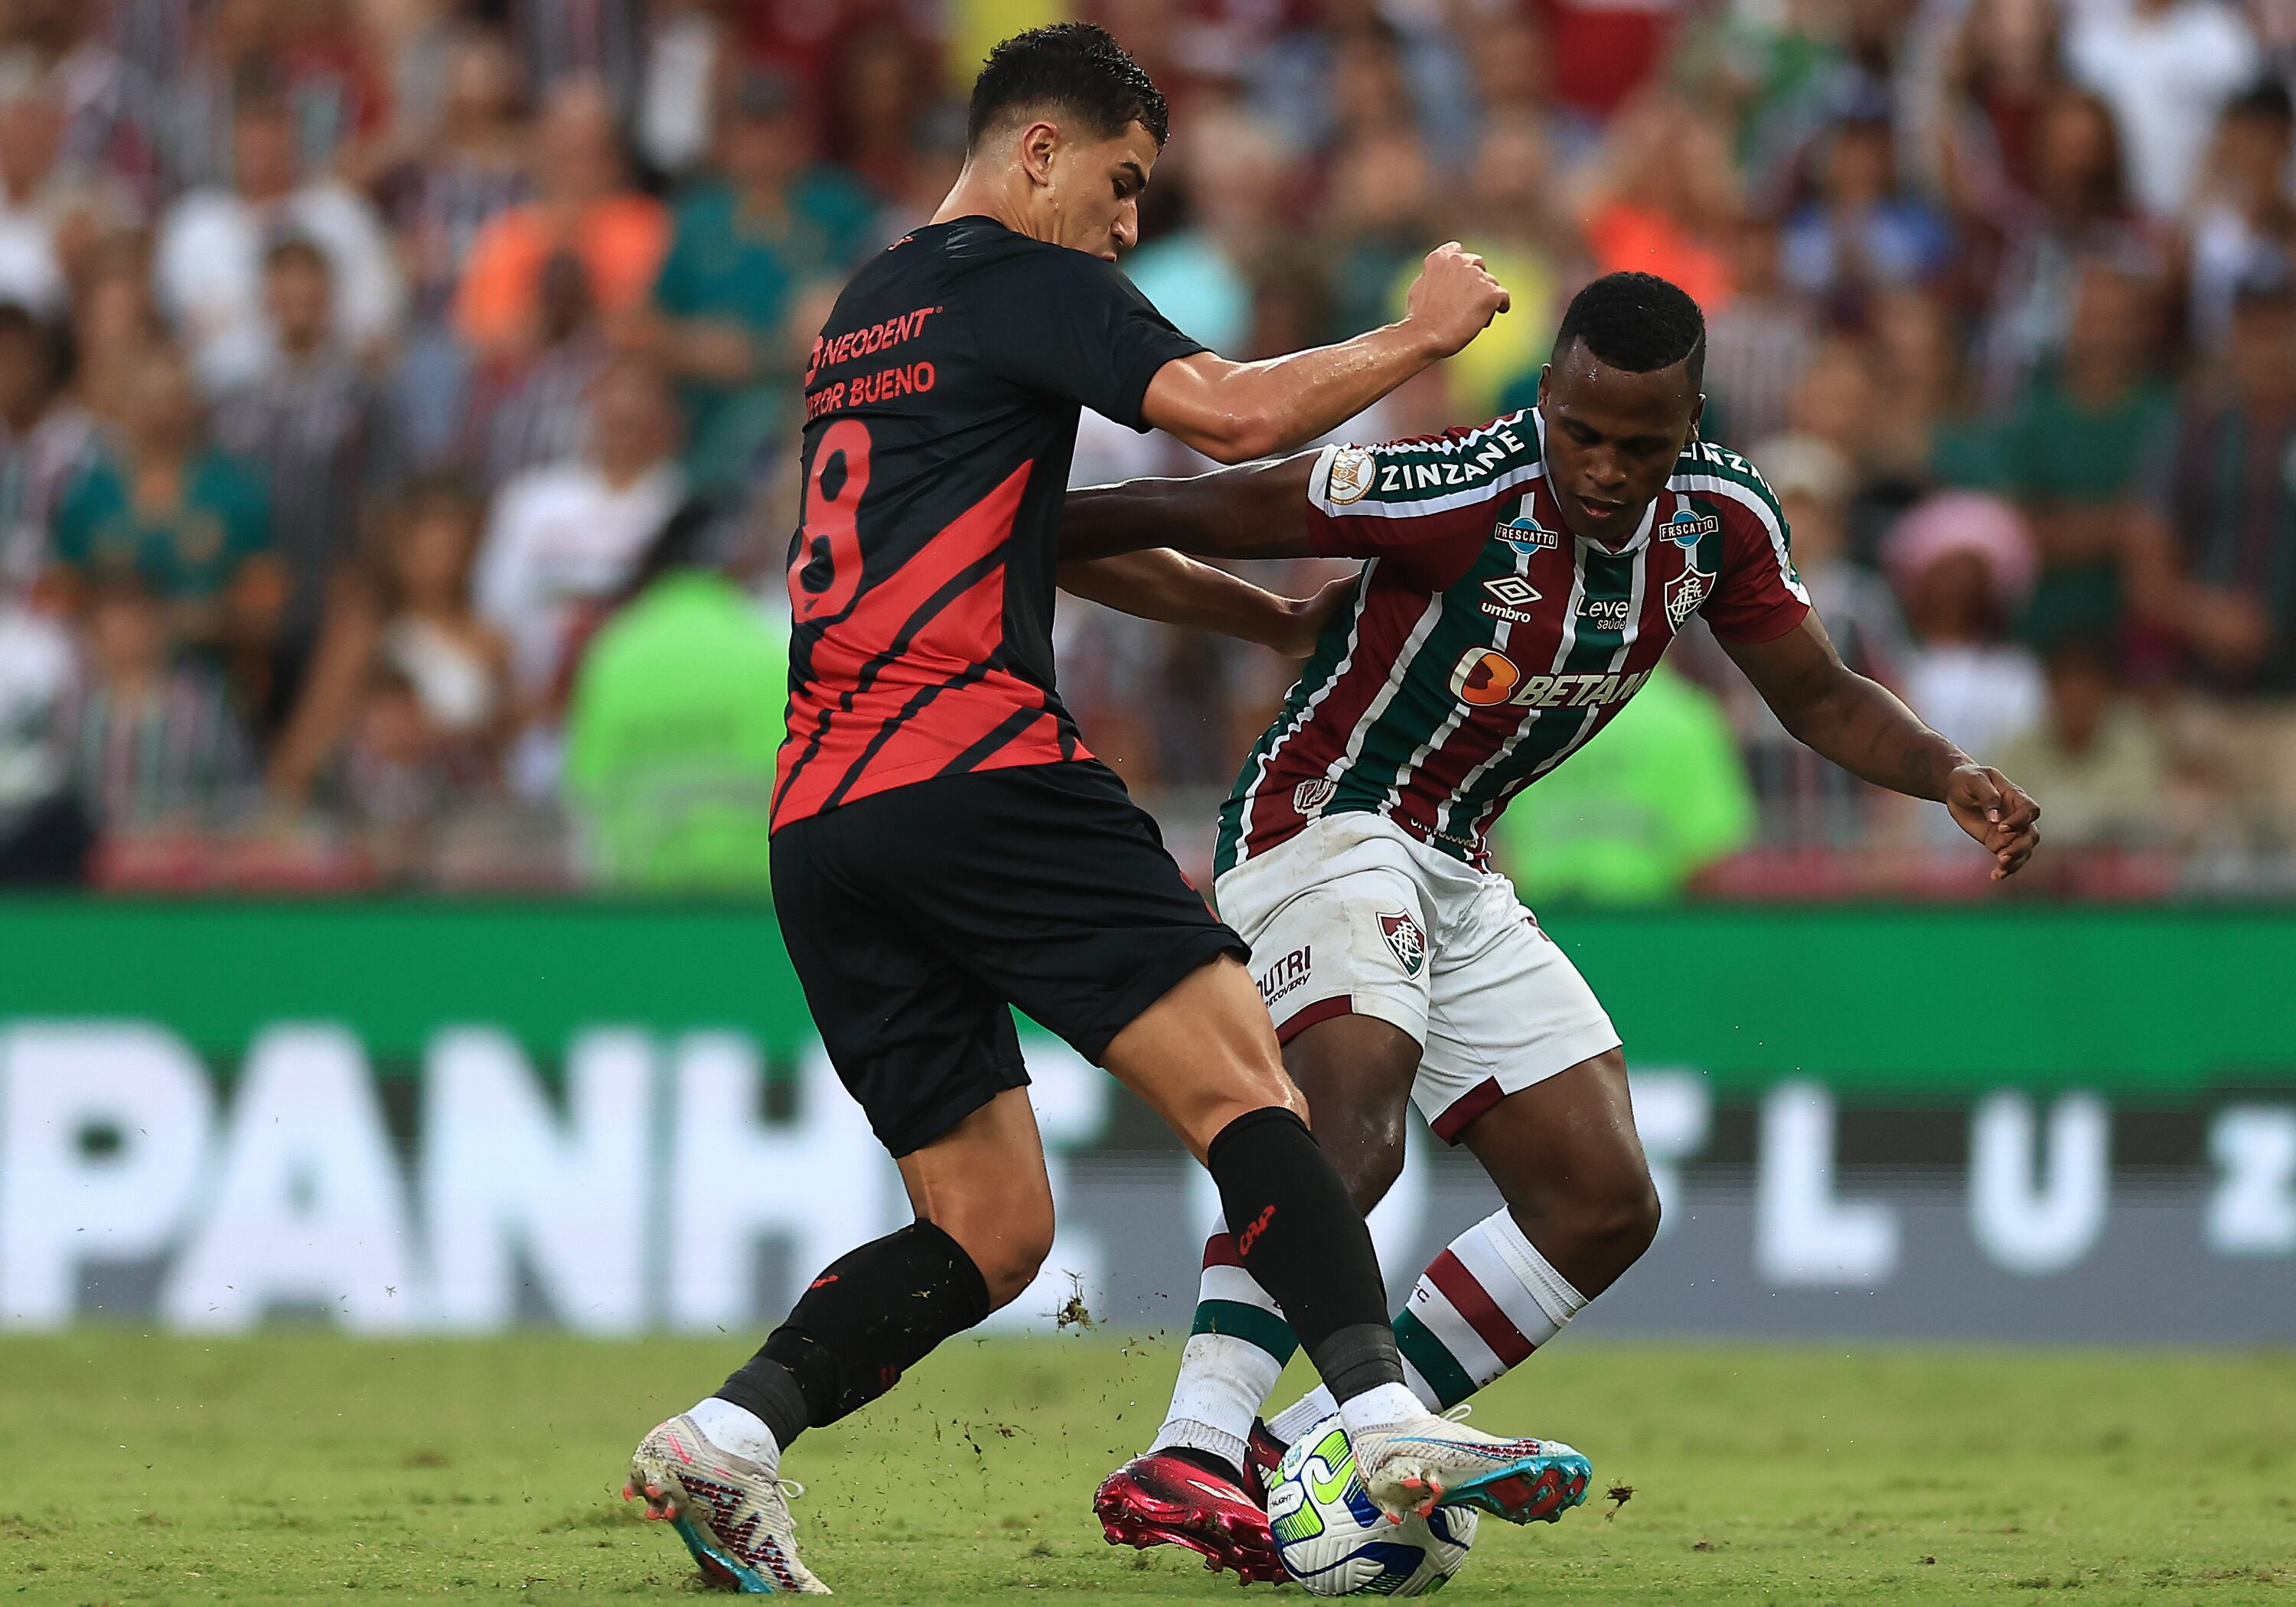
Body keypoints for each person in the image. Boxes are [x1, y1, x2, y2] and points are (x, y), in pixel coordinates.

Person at [621, 24, 1577, 1596]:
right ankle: (1385, 1423)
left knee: (989, 1229)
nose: (1131, 226)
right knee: (1249, 1087)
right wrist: (1418, 336)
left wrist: (1257, 619)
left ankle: (729, 1438)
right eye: (1124, 185)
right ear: (1039, 150)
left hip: (825, 818)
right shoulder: (1024, 277)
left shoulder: (868, 308)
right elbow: (1230, 415)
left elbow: (1026, 531)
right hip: (978, 768)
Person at [1061, 272, 2042, 1580]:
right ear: (1545, 399)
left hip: (1457, 860)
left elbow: (1816, 693)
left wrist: (1944, 771)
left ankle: (1307, 1456)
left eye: (1643, 444)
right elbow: (1204, 508)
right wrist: (988, 513)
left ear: (1692, 425)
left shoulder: (1722, 521)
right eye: (1581, 431)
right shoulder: (1458, 484)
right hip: (1324, 818)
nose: (1605, 467)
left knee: (1602, 1201)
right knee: (1355, 1111)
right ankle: (1193, 1442)